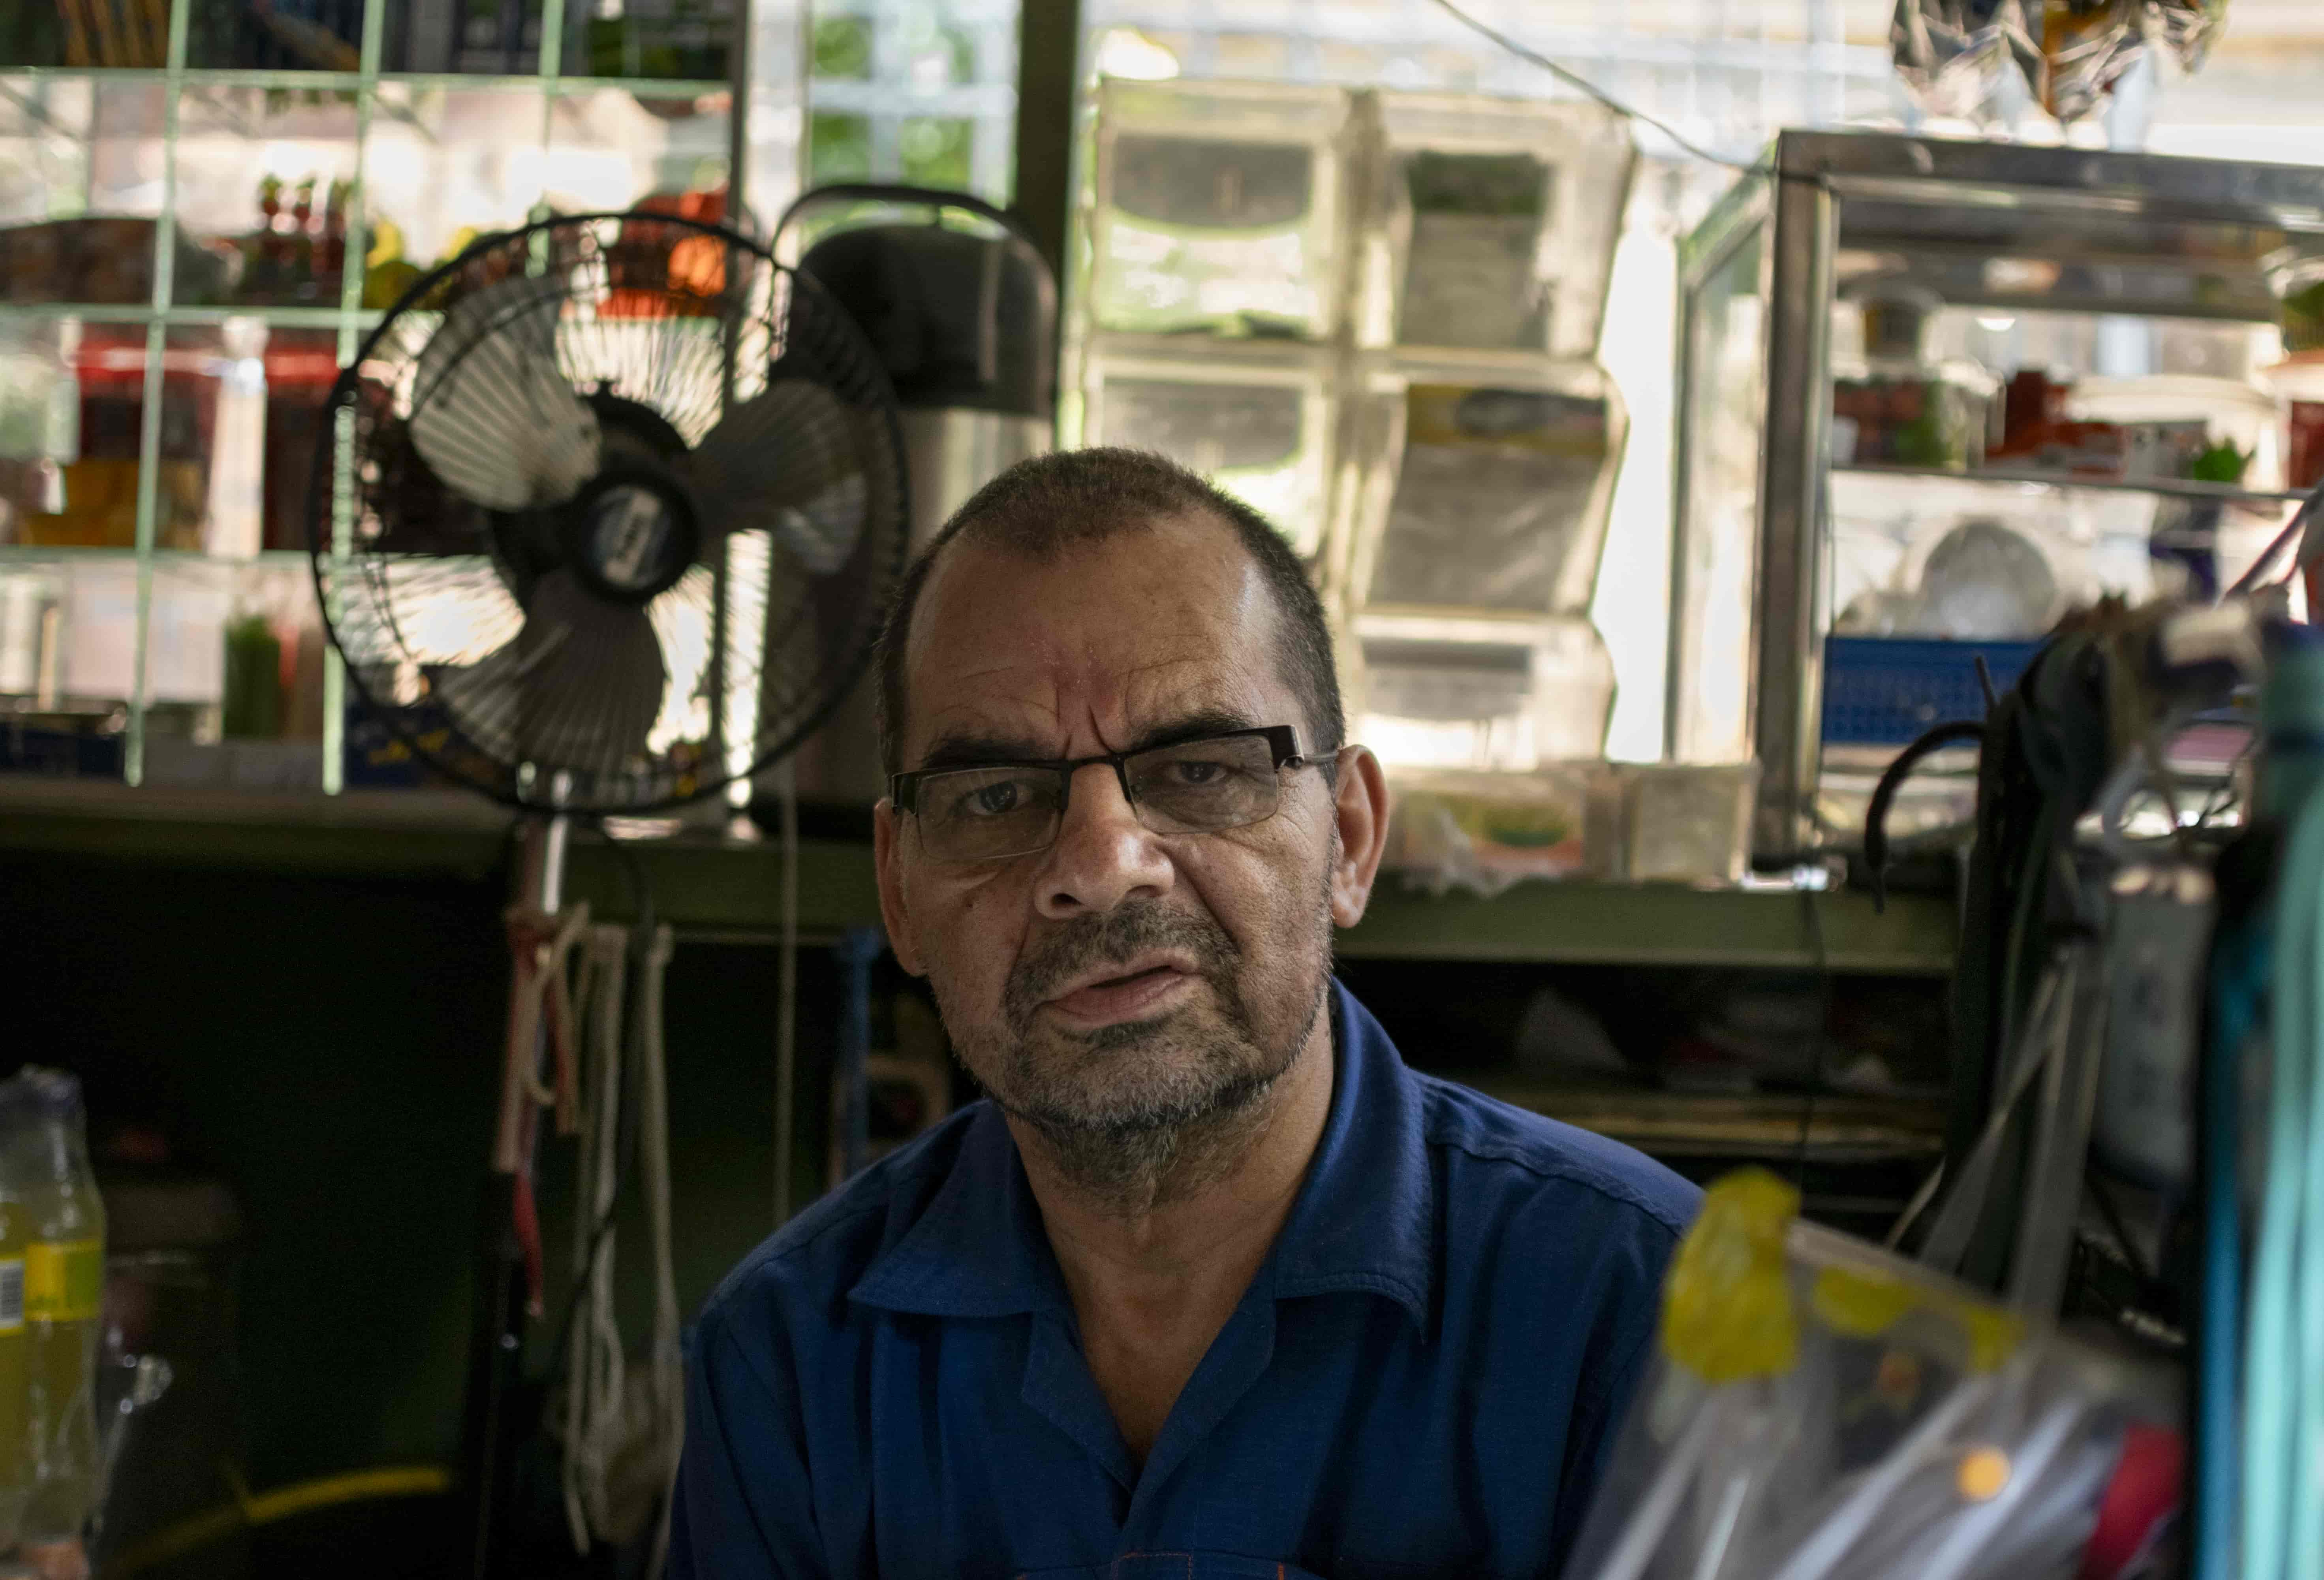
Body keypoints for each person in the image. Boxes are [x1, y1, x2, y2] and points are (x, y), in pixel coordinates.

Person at [671, 448, 1700, 1579]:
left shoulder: (1647, 1322)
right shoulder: (789, 1364)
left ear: (1349, 838)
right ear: (899, 891)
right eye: (995, 796)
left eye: (1200, 770)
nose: (1101, 867)